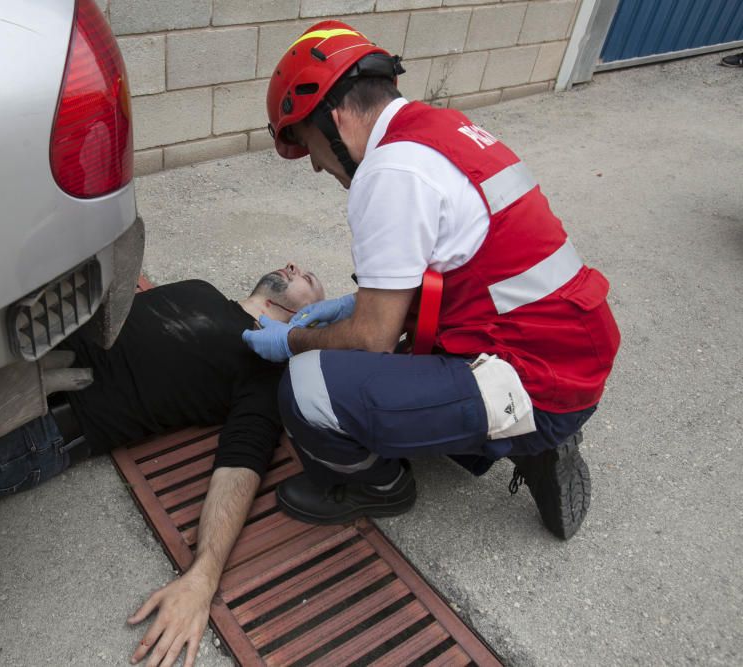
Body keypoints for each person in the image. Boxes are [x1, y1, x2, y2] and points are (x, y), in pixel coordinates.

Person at [243, 22, 620, 541]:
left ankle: (380, 487)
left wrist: (291, 340)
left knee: (310, 388)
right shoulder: (443, 131)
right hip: (570, 349)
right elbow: (451, 267)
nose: (314, 167)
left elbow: (372, 340)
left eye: (308, 146)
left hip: (541, 381)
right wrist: (351, 302)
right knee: (396, 348)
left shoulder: (389, 172)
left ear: (333, 120)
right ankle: (526, 430)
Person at [0, 263, 325, 667]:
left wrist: (202, 578)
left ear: (307, 317)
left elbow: (240, 466)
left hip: (40, 424)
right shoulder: (200, 289)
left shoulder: (263, 372)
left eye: (307, 277)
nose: (292, 267)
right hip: (9, 358)